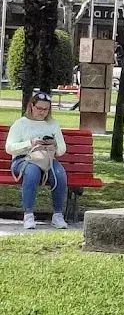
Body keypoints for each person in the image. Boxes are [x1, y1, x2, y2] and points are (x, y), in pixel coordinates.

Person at [4, 90, 69, 230]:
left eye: (46, 109)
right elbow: (9, 148)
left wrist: (54, 145)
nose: (42, 112)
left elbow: (62, 149)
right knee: (32, 172)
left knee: (59, 174)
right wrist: (30, 143)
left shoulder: (53, 124)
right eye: (39, 108)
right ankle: (28, 214)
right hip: (23, 159)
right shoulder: (20, 123)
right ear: (32, 106)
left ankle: (58, 214)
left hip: (47, 158)